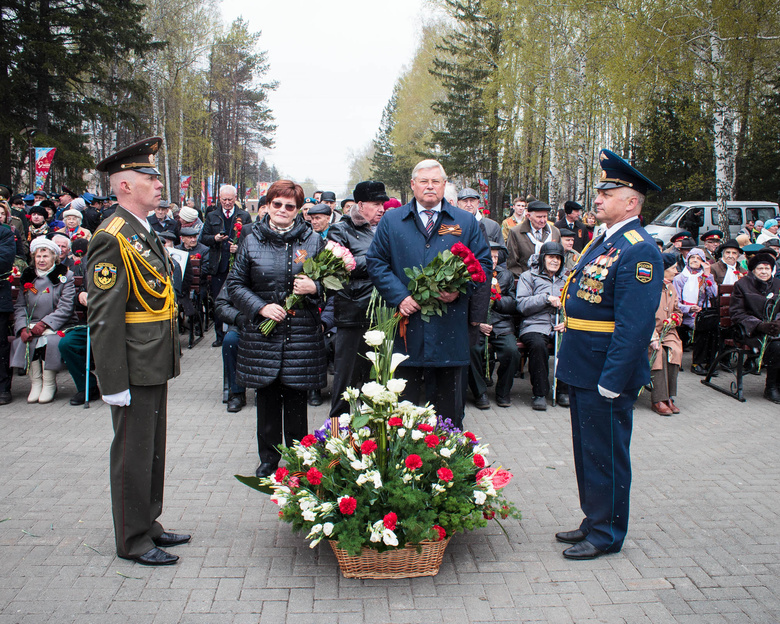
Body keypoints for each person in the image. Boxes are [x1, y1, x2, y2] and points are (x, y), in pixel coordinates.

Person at [554, 148, 663, 560]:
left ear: (631, 201)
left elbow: (634, 327)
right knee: (588, 452)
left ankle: (607, 534)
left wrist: (612, 380)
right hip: (584, 363)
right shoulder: (605, 240)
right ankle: (593, 519)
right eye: (598, 192)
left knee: (607, 456)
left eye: (607, 192)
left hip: (606, 371)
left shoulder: (639, 249)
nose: (596, 199)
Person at [88, 137, 187, 567]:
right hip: (130, 364)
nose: (158, 183)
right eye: (150, 177)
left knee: (152, 448)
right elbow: (104, 317)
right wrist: (111, 382)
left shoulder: (141, 229)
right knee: (132, 451)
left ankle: (148, 521)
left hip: (153, 358)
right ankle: (132, 540)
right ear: (125, 185)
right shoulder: (111, 237)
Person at [366, 159, 491, 429]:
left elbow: (483, 265)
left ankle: (448, 464)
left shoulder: (465, 221)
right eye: (424, 181)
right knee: (403, 410)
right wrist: (400, 296)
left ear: (445, 185)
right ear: (413, 185)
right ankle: (405, 466)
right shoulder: (392, 220)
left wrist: (459, 290)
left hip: (449, 328)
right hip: (406, 330)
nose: (430, 186)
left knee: (448, 412)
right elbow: (376, 261)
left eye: (436, 181)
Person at [226, 180, 327, 479]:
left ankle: (297, 459)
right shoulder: (251, 239)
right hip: (263, 333)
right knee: (267, 400)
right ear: (268, 205)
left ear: (298, 211)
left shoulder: (313, 241)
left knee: (296, 401)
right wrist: (260, 307)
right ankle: (269, 458)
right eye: (277, 204)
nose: (283, 210)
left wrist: (315, 286)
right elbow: (234, 284)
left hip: (300, 334)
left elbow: (334, 287)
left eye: (290, 206)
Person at [326, 180, 388, 420]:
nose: (381, 208)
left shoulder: (387, 228)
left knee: (379, 380)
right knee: (347, 383)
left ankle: (374, 439)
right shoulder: (341, 230)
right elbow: (340, 265)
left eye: (383, 203)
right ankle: (337, 436)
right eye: (375, 204)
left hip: (385, 315)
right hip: (353, 313)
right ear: (360, 205)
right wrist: (380, 261)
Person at [10, 237, 78, 403]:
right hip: (31, 325)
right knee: (27, 340)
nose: (41, 260)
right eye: (38, 256)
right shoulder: (28, 276)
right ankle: (36, 383)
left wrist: (44, 324)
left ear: (54, 257)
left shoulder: (65, 276)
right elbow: (20, 307)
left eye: (45, 256)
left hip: (57, 325)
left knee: (49, 340)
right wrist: (22, 327)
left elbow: (65, 308)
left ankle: (49, 384)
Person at [515, 241, 568, 410]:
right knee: (538, 346)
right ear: (543, 258)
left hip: (559, 325)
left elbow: (574, 304)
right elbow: (521, 305)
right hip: (534, 324)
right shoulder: (528, 277)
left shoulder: (566, 279)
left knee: (570, 342)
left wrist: (568, 321)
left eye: (558, 258)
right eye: (551, 257)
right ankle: (539, 392)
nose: (555, 261)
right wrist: (545, 298)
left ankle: (563, 391)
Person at [468, 241, 520, 408]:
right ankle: (480, 393)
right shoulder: (470, 274)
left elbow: (513, 302)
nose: (494, 260)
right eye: (490, 256)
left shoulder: (506, 276)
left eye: (496, 257)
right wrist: (478, 323)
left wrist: (495, 300)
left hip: (501, 324)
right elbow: (467, 303)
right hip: (477, 324)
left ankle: (503, 392)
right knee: (472, 350)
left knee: (511, 351)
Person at [200, 185, 251, 347]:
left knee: (237, 300)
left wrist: (239, 246)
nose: (227, 203)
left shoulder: (244, 215)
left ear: (235, 198)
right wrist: (215, 238)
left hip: (238, 265)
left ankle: (236, 331)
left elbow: (250, 239)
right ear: (219, 199)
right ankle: (219, 335)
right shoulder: (212, 215)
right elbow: (203, 238)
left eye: (230, 199)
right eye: (224, 200)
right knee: (218, 302)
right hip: (218, 266)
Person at [730, 251, 780, 403]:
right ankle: (771, 387)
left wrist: (778, 322)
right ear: (753, 270)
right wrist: (759, 325)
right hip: (751, 331)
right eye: (760, 269)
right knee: (777, 347)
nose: (764, 272)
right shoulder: (742, 285)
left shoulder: (778, 284)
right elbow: (737, 313)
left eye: (767, 268)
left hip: (776, 329)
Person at [673, 248, 718, 375]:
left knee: (713, 329)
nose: (695, 260)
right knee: (701, 328)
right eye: (692, 257)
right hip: (685, 314)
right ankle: (696, 363)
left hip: (702, 314)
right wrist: (689, 308)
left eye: (698, 258)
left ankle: (709, 362)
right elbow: (676, 302)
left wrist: (707, 275)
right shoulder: (680, 278)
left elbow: (713, 294)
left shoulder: (705, 277)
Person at [648, 254, 683, 415]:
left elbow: (677, 311)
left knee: (674, 350)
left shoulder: (671, 287)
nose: (676, 271)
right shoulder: (650, 287)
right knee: (659, 353)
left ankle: (669, 396)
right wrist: (653, 336)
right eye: (673, 268)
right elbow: (643, 315)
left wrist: (675, 319)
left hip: (667, 331)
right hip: (649, 332)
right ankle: (658, 399)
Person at [214, 283, 246, 412]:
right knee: (229, 342)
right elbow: (221, 304)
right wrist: (238, 317)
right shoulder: (237, 273)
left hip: (270, 324)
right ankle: (237, 392)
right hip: (241, 324)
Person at [506, 200, 561, 276]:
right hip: (525, 280)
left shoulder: (554, 232)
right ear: (529, 216)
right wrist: (526, 279)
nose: (542, 220)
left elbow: (560, 258)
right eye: (539, 217)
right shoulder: (516, 232)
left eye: (545, 217)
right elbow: (512, 263)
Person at [0, 218, 16, 405]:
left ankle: (3, 387)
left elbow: (4, 261)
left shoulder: (4, 233)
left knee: (0, 344)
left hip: (0, 296)